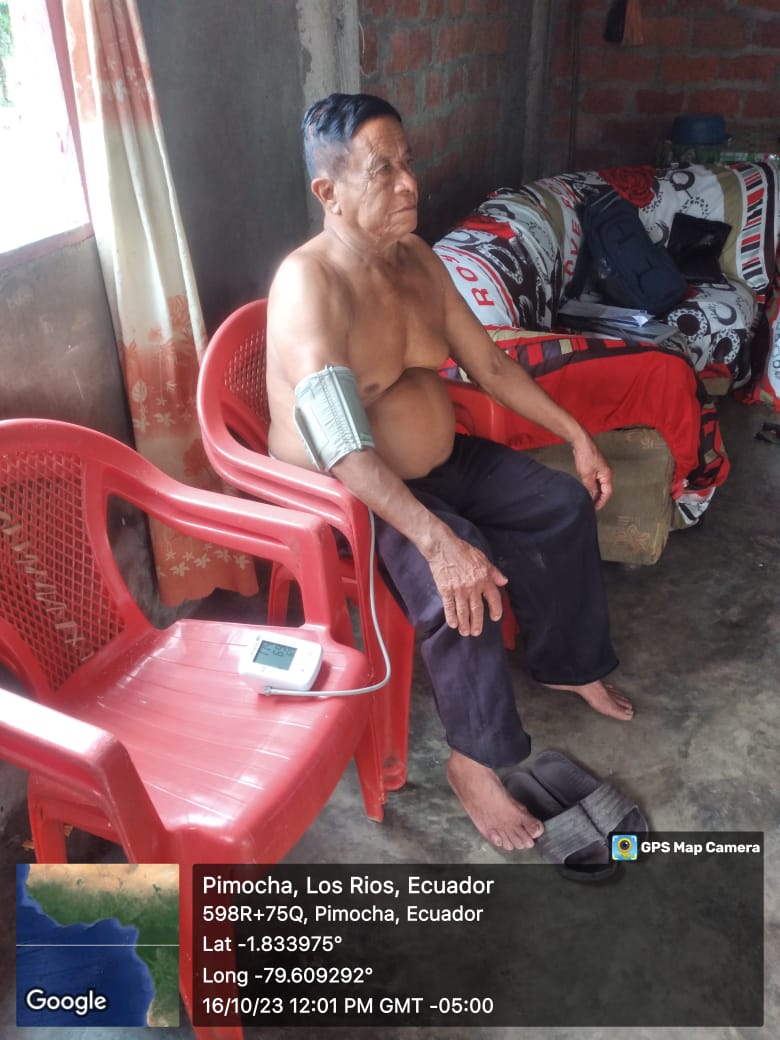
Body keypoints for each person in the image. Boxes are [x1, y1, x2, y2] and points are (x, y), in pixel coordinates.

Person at [266, 93, 633, 852]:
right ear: (329, 192)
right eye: (383, 170)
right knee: (463, 579)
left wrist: (578, 435)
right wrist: (437, 541)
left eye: (408, 162)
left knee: (559, 504)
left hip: (442, 461)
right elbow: (340, 444)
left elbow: (490, 365)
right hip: (353, 493)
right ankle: (474, 761)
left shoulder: (417, 260)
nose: (409, 183)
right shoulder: (310, 283)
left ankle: (566, 663)